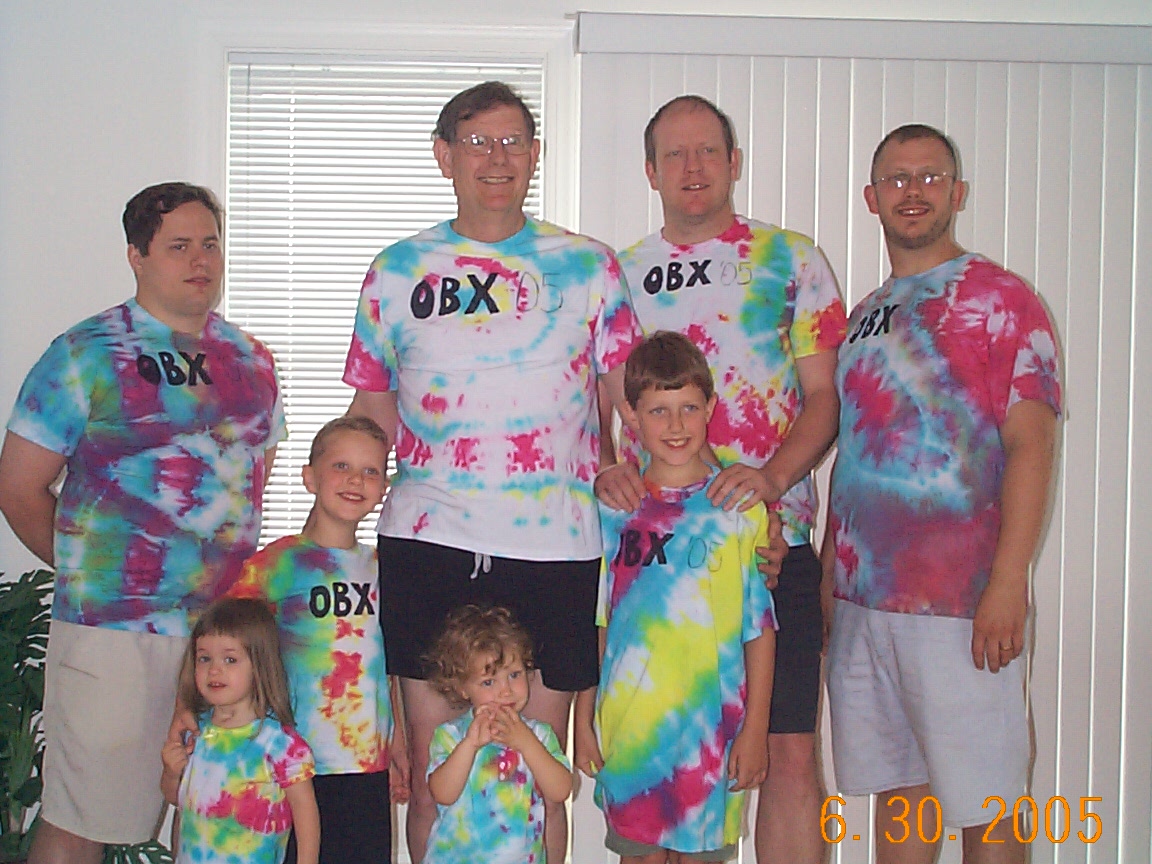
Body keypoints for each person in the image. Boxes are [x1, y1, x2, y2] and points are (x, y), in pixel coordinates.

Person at [341, 80, 641, 862]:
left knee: (536, 778)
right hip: (428, 542)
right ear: (444, 156)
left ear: (535, 155)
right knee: (435, 774)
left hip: (555, 548)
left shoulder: (589, 267)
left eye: (512, 142)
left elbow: (633, 410)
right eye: (477, 142)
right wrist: (332, 532)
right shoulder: (396, 271)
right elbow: (370, 419)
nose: (497, 158)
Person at [0, 182, 284, 864]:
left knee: (215, 808)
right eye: (179, 246)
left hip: (220, 633)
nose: (200, 260)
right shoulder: (86, 352)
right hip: (112, 632)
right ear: (137, 256)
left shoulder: (251, 360)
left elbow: (254, 478)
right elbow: (18, 487)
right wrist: (93, 568)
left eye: (210, 243)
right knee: (83, 817)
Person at [595, 95, 845, 863]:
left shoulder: (792, 259)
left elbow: (824, 398)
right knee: (664, 750)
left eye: (707, 150)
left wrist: (770, 481)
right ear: (650, 171)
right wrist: (609, 471)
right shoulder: (617, 275)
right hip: (655, 563)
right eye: (674, 153)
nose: (693, 166)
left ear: (734, 162)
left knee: (786, 752)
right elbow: (601, 405)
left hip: (771, 548)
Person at [822, 124, 1062, 864]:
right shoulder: (863, 315)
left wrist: (1009, 582)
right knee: (902, 798)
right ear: (872, 198)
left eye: (930, 177)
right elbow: (856, 448)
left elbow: (1032, 443)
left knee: (989, 803)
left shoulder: (1001, 299)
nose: (914, 191)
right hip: (864, 605)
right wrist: (831, 577)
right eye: (897, 178)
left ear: (958, 192)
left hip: (961, 607)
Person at [575, 331, 778, 862]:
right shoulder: (613, 512)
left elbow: (759, 629)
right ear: (631, 416)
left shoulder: (739, 510)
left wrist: (756, 729)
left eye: (689, 408)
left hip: (711, 733)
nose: (676, 425)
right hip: (631, 729)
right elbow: (599, 622)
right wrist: (583, 716)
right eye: (658, 411)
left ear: (710, 407)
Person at [228, 415, 407, 863]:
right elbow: (223, 649)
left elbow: (388, 669)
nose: (356, 480)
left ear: (384, 488)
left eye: (371, 471)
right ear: (310, 477)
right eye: (341, 466)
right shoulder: (275, 566)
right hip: (292, 764)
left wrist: (399, 741)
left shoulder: (385, 569)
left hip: (366, 766)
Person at [161, 597, 319, 864]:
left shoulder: (279, 745)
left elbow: (306, 815)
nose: (214, 669)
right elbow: (176, 798)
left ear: (259, 667)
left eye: (230, 659)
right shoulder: (197, 732)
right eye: (204, 658)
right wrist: (170, 772)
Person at [423, 604, 572, 864]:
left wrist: (527, 743)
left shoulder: (539, 734)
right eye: (488, 682)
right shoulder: (451, 735)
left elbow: (560, 791)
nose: (506, 691)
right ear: (462, 688)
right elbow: (442, 794)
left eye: (514, 675)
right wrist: (470, 745)